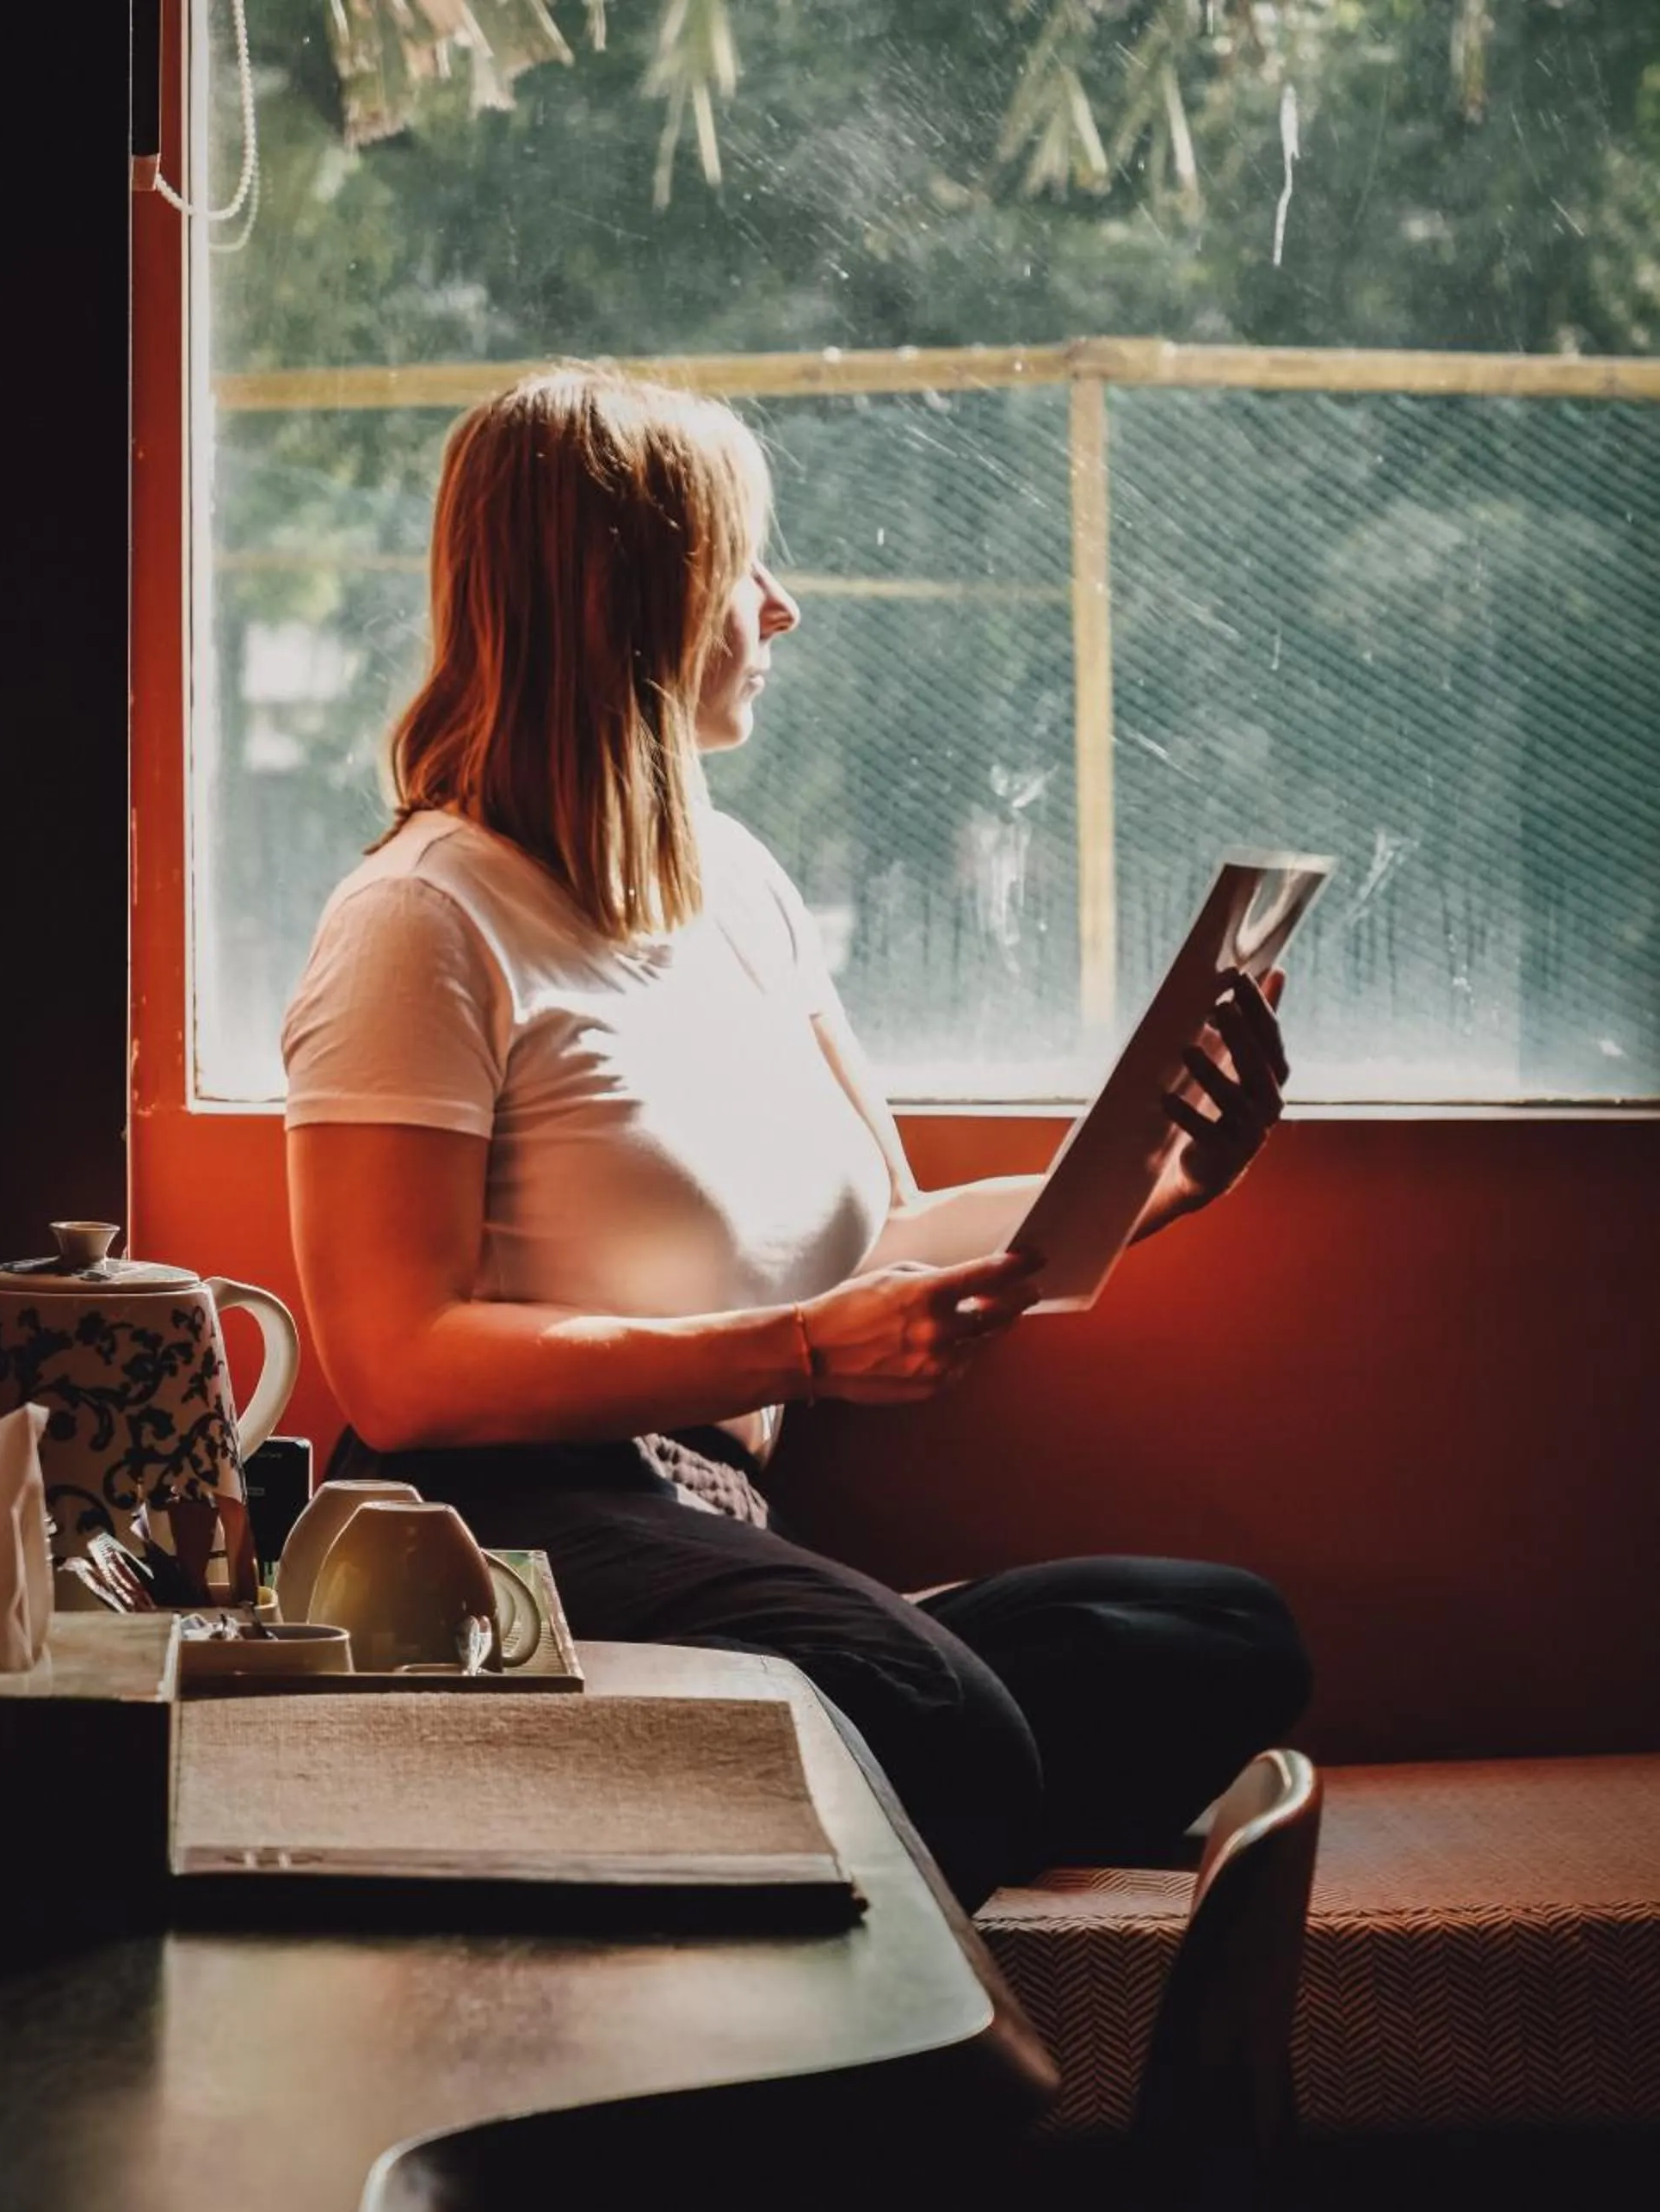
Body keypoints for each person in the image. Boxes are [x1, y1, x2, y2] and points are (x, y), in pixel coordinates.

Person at [282, 365, 1311, 1913]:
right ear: (628, 594)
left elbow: (882, 1241)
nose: (782, 609)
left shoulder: (743, 887)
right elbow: (399, 1367)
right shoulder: (421, 918)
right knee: (943, 1729)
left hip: (714, 1519)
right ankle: (832, 1715)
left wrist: (1159, 1191)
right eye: (742, 565)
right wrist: (801, 1356)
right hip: (507, 1531)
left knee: (1228, 1637)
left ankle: (816, 1721)